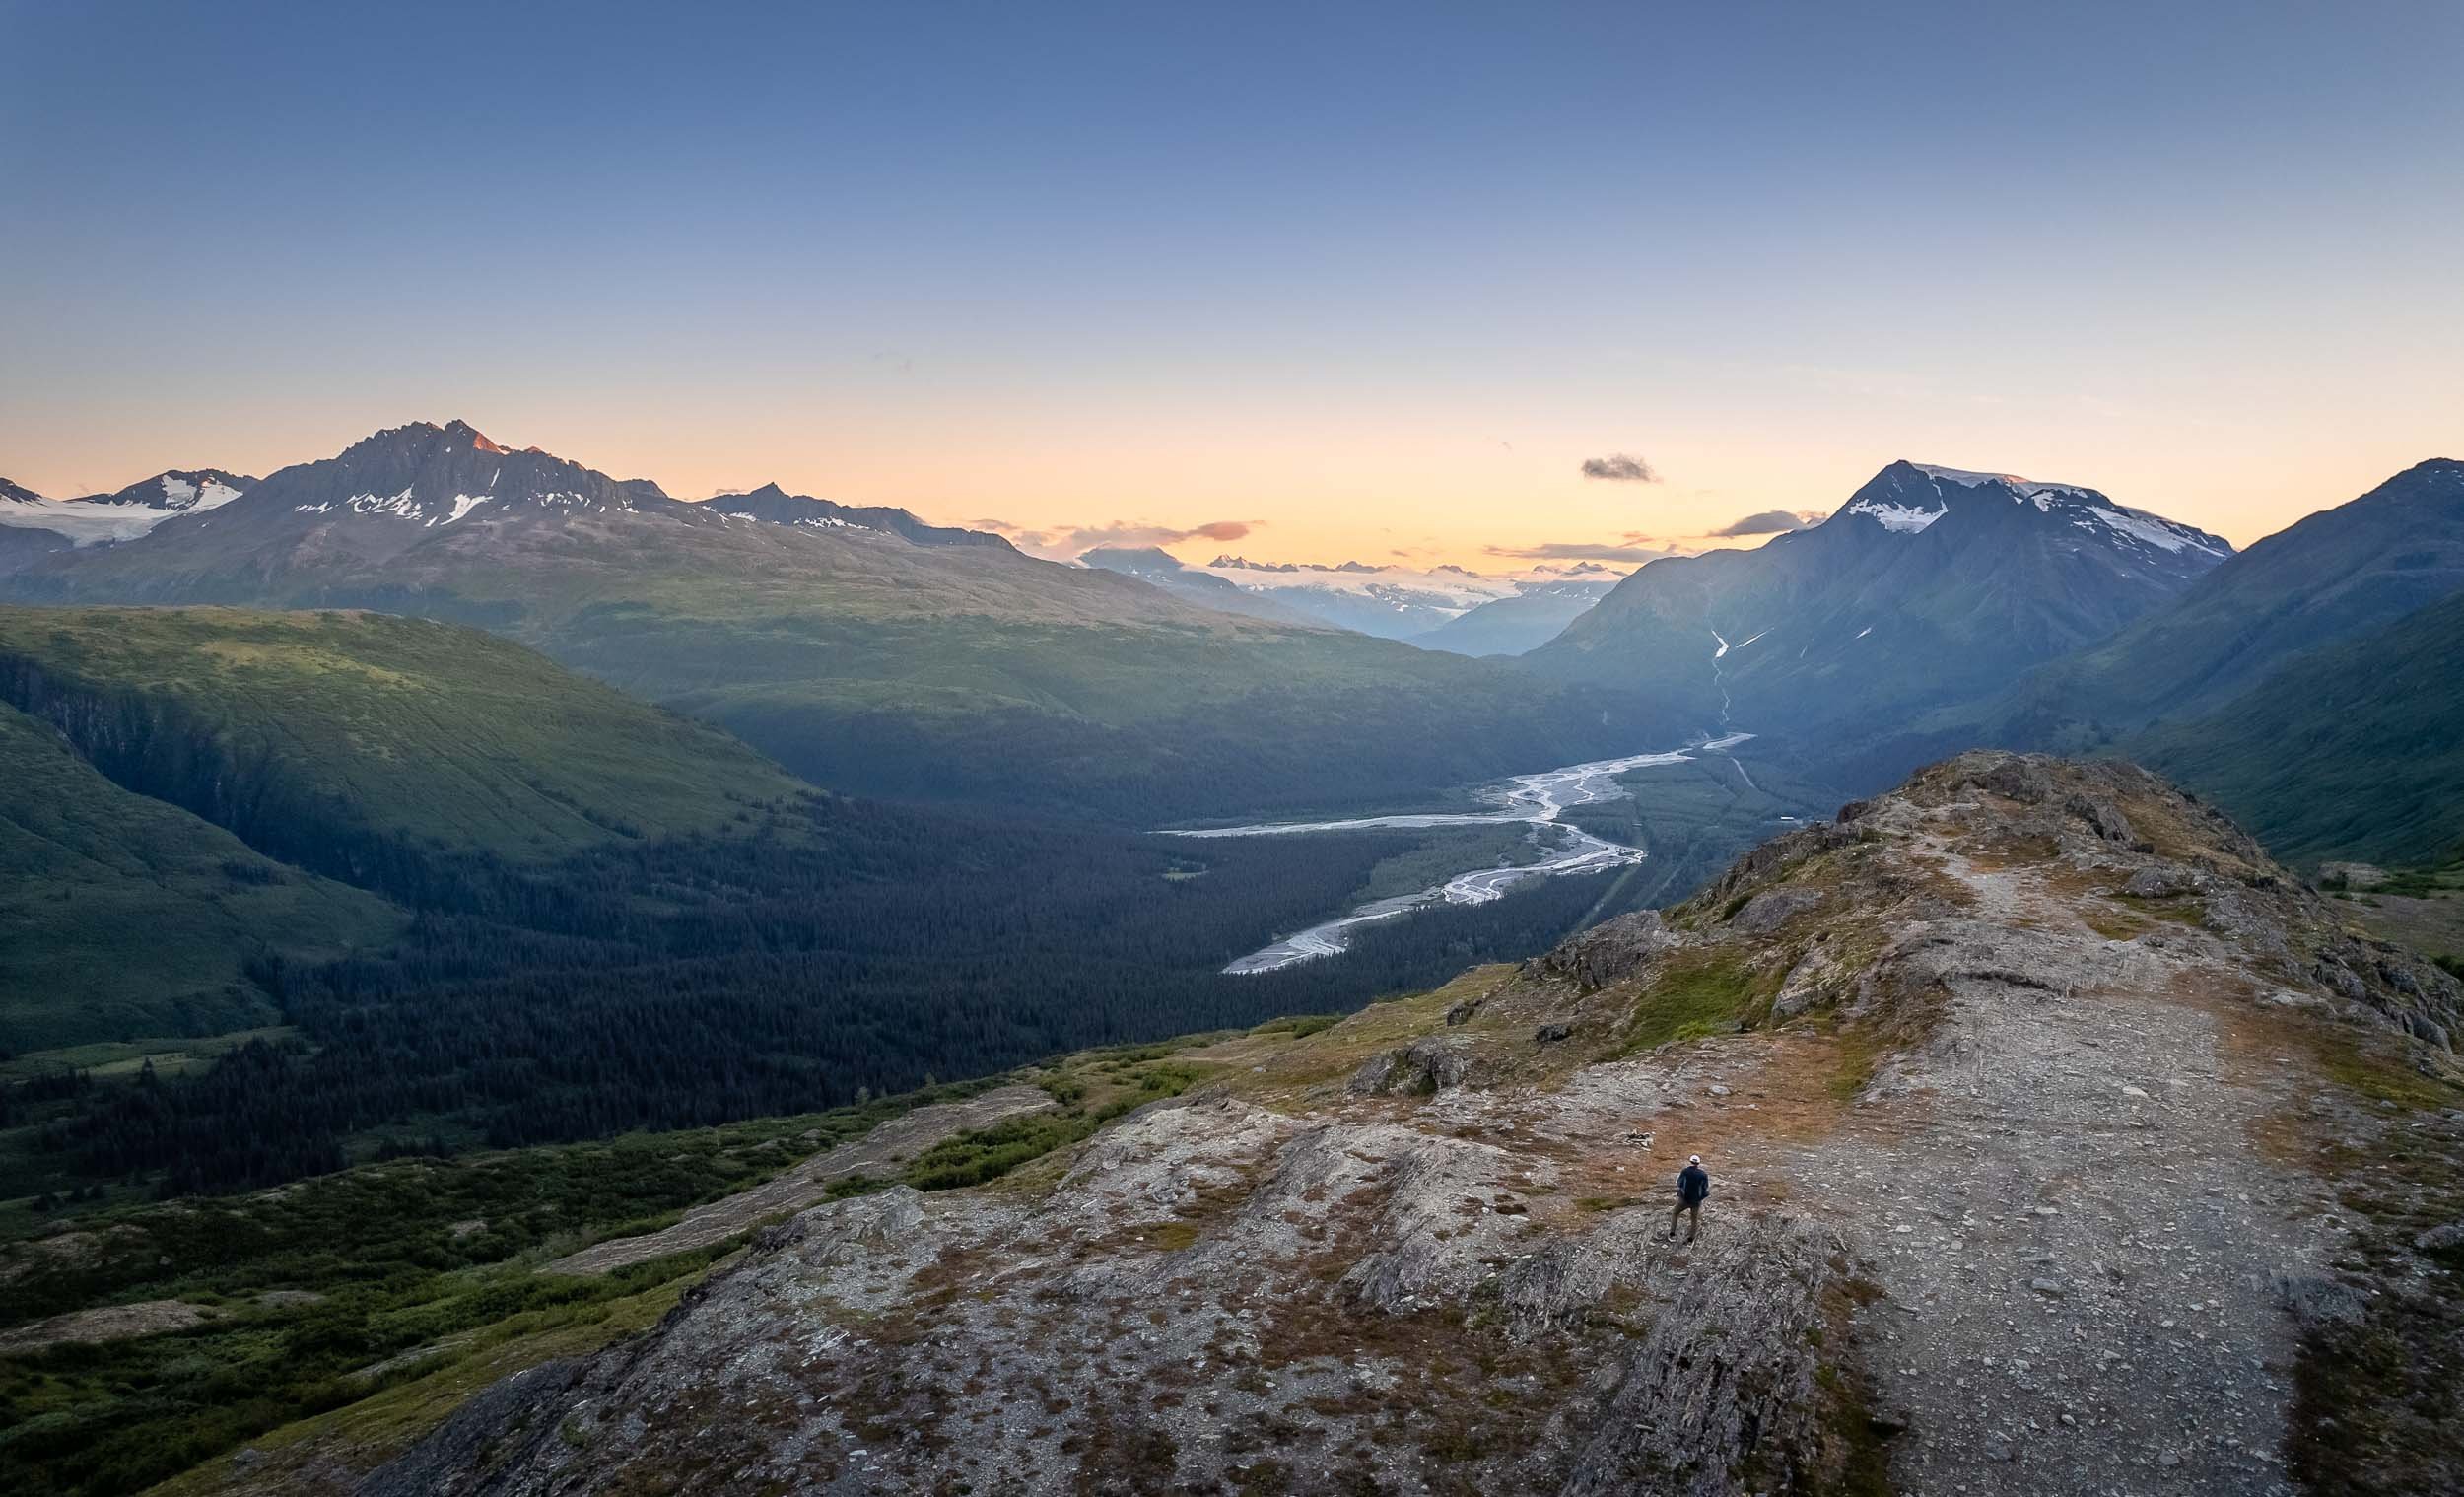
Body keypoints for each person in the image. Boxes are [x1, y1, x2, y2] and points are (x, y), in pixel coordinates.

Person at [1669, 1154, 1709, 1241]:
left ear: (1690, 1162)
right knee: (1694, 1218)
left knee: (1675, 1213)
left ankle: (1672, 1233)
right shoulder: (1703, 1174)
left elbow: (1679, 1183)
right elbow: (1705, 1187)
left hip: (1684, 1199)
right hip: (1696, 1201)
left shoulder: (1685, 1171)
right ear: (1698, 1163)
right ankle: (1691, 1238)